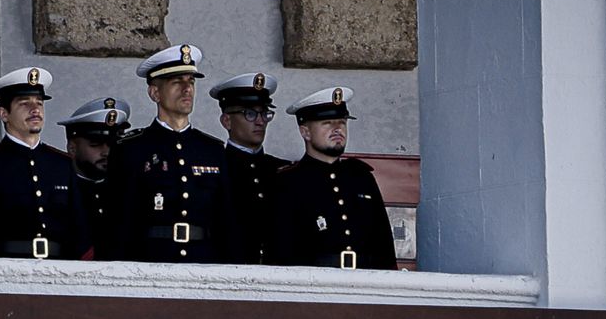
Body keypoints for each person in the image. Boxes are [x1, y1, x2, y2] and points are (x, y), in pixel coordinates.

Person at [110, 44, 230, 262]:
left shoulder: (212, 150)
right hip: (150, 260)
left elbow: (227, 221)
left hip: (204, 261)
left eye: (191, 82)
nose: (187, 89)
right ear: (155, 92)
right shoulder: (131, 149)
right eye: (177, 82)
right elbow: (120, 222)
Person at [0, 67, 93, 260]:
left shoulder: (62, 164)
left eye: (39, 103)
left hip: (59, 269)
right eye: (24, 104)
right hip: (6, 268)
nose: (35, 110)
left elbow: (80, 230)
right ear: (3, 113)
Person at [267, 86, 396, 270]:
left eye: (342, 122)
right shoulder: (288, 182)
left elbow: (383, 243)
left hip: (365, 283)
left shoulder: (361, 177)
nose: (337, 129)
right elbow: (280, 250)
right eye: (327, 122)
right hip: (312, 284)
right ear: (305, 132)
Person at [210, 72, 289, 264]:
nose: (260, 121)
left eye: (264, 113)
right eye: (250, 113)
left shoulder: (282, 170)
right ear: (226, 121)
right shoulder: (214, 166)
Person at [59, 97, 130, 260]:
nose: (106, 152)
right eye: (96, 144)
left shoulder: (126, 188)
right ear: (72, 147)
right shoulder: (61, 189)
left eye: (113, 144)